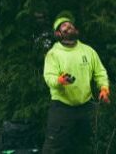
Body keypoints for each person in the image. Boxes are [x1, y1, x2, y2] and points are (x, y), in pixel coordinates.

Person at [42, 12, 110, 154]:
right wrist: (59, 81)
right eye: (65, 28)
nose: (69, 28)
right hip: (61, 108)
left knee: (87, 147)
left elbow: (100, 72)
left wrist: (104, 89)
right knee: (54, 149)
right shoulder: (53, 54)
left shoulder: (88, 51)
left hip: (86, 107)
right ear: (58, 34)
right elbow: (49, 77)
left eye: (70, 26)